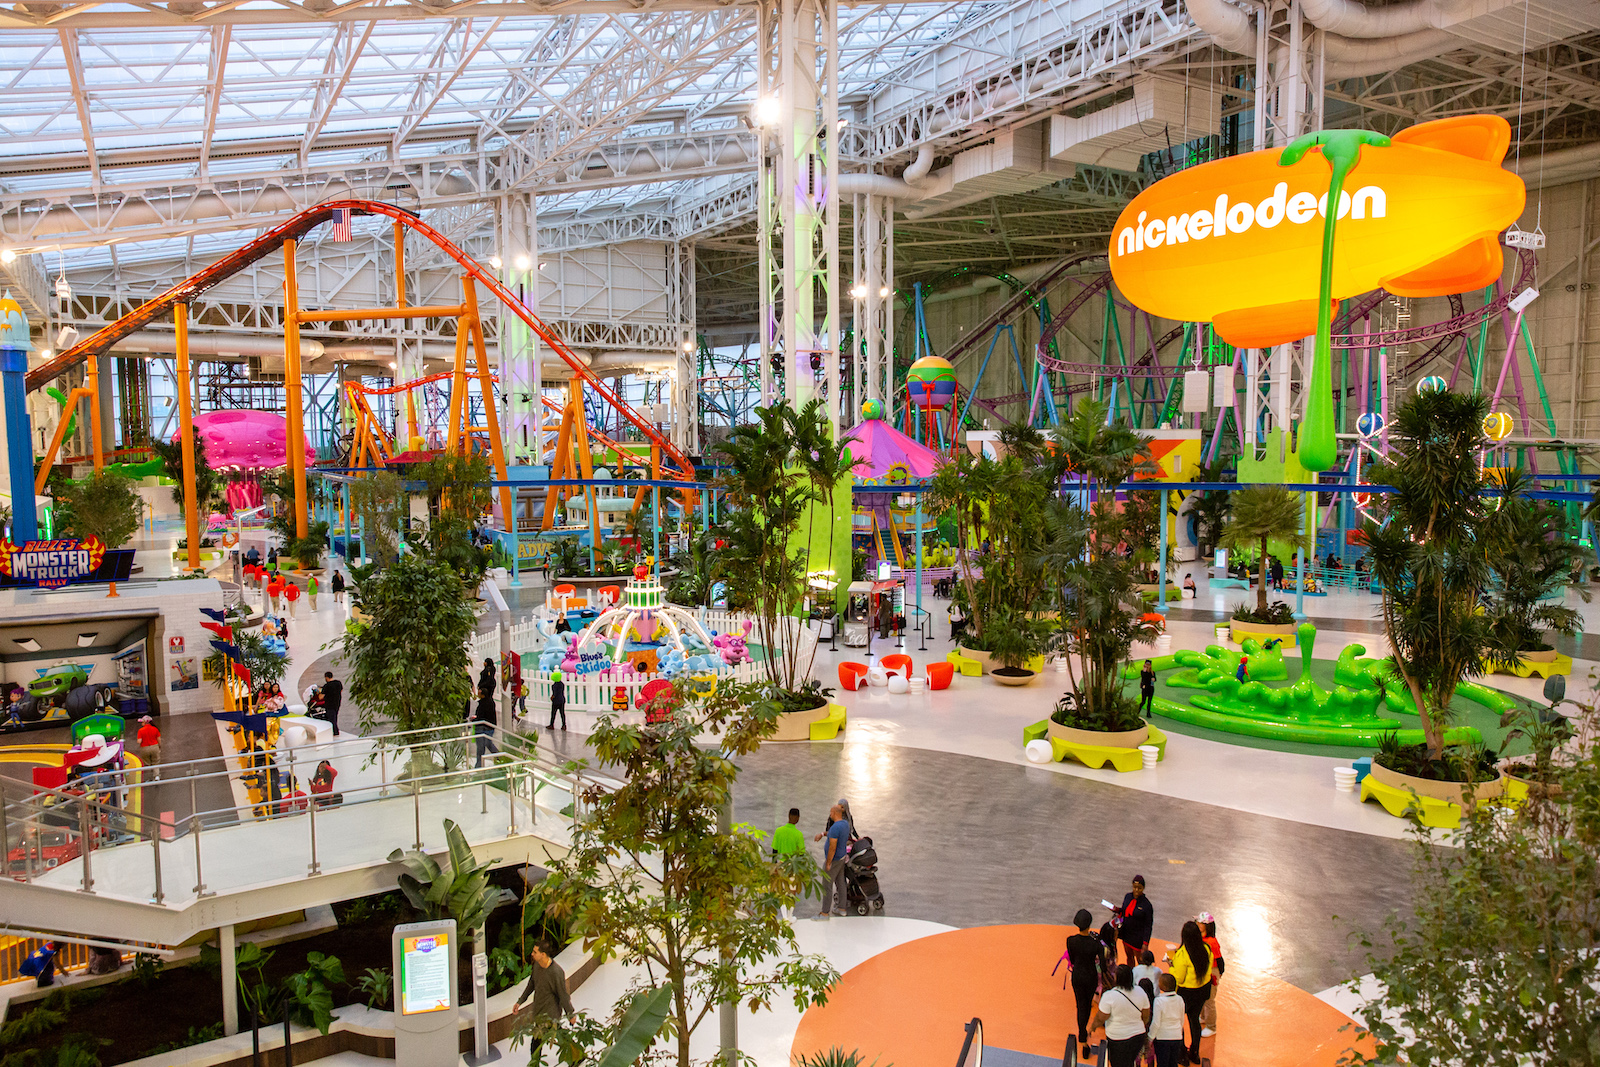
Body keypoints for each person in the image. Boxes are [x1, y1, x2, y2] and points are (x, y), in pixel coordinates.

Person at [513, 937, 574, 1062]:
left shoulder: (556, 972)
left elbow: (563, 994)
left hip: (550, 1014)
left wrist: (570, 1013)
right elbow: (531, 984)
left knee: (537, 1041)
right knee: (561, 1036)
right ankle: (577, 1057)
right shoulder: (536, 966)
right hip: (539, 1011)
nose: (532, 954)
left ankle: (535, 1063)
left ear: (543, 954)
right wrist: (520, 1001)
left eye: (535, 952)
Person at [1169, 920, 1214, 1066]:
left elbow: (1179, 978)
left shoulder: (1182, 954)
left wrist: (1171, 965)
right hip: (1201, 992)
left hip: (1185, 994)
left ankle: (1182, 1055)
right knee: (1194, 1021)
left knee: (1179, 1023)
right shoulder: (1206, 949)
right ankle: (1195, 1052)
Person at [1088, 964, 1150, 1067]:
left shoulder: (1109, 996)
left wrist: (1092, 1027)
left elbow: (1101, 1018)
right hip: (1138, 1036)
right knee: (1130, 1061)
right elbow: (1146, 1015)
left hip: (1117, 1038)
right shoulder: (1140, 992)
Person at [1065, 910, 1105, 1056]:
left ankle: (1082, 1034)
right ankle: (1083, 1034)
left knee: (1079, 1004)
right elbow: (1104, 965)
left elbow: (1073, 959)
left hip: (1077, 976)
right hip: (1090, 976)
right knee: (1086, 1005)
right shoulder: (1095, 944)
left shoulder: (1070, 940)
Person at [816, 802, 850, 920]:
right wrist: (822, 834)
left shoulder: (835, 827)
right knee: (841, 882)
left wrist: (829, 862)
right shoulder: (845, 824)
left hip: (834, 860)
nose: (829, 814)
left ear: (835, 813)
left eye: (831, 812)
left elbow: (832, 847)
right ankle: (842, 908)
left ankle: (825, 913)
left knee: (827, 885)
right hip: (842, 858)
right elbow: (832, 834)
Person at [772, 807, 805, 919]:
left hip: (781, 864)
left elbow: (774, 851)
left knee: (782, 890)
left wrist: (774, 866)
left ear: (788, 816)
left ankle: (784, 916)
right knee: (792, 890)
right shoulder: (798, 834)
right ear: (798, 819)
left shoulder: (779, 831)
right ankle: (790, 916)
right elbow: (801, 854)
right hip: (793, 866)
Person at [1149, 973, 1186, 1067]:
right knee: (1173, 1063)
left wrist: (1150, 1037)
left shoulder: (1158, 1000)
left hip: (1162, 1038)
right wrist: (1178, 1031)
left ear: (1163, 986)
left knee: (1162, 1064)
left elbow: (1156, 1023)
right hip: (1176, 1036)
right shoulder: (1180, 999)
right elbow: (1181, 1019)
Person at [1197, 912, 1225, 1036]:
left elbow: (1219, 960)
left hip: (1212, 971)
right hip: (1204, 970)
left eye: (1201, 923)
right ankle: (1203, 1017)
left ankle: (1211, 1026)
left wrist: (1218, 974)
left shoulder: (1211, 942)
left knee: (1209, 999)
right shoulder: (1200, 938)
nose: (1198, 924)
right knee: (1203, 996)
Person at [1117, 875, 1153, 967]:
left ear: (1143, 888)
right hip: (1126, 934)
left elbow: (1148, 925)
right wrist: (1116, 910)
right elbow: (1124, 911)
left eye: (1139, 888)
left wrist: (1145, 943)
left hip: (1138, 938)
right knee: (1129, 957)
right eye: (1134, 887)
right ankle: (1130, 976)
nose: (1136, 890)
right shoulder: (1127, 897)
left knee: (1141, 961)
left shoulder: (1147, 905)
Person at [471, 688, 499, 767]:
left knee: (481, 747)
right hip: (490, 727)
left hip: (482, 727)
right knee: (488, 744)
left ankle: (479, 765)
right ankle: (500, 757)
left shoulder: (482, 704)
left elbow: (481, 717)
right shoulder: (491, 702)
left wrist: (474, 720)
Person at [320, 672, 343, 736]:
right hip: (337, 703)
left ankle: (335, 731)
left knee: (331, 718)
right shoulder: (338, 683)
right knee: (335, 716)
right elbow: (341, 690)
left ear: (326, 677)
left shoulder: (326, 686)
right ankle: (335, 730)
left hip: (329, 704)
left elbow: (320, 697)